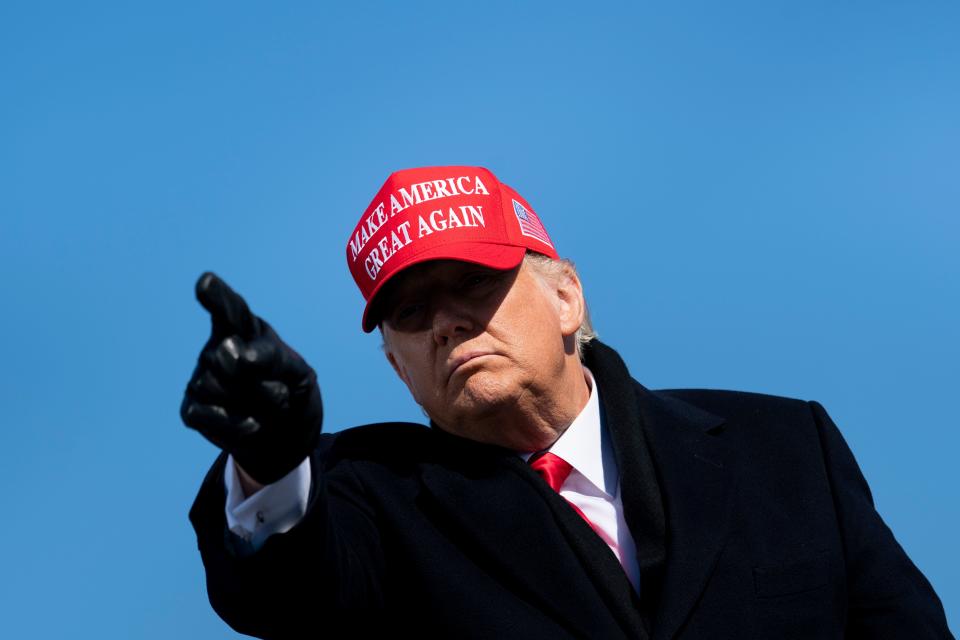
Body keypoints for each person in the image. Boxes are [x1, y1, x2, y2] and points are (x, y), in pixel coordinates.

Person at [182, 166, 953, 639]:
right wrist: (268, 461)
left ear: (565, 298)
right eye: (411, 314)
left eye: (476, 284)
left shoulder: (784, 449)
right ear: (397, 367)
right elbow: (286, 597)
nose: (447, 321)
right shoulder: (365, 499)